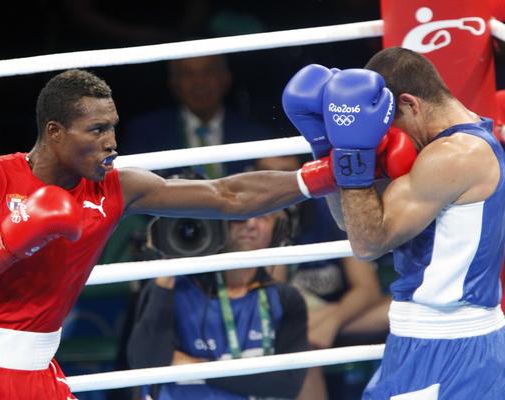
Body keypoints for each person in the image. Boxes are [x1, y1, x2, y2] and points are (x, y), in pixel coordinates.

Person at [0, 68, 318, 399]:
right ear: (54, 132)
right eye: (97, 130)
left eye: (113, 128)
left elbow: (227, 195)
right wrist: (5, 247)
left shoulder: (117, 188)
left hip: (35, 373)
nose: (112, 143)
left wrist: (319, 177)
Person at [285, 47, 505, 399]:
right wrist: (328, 149)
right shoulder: (437, 147)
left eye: (389, 124)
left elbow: (368, 243)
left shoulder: (455, 155)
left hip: (451, 347)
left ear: (409, 104)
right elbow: (353, 223)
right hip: (420, 339)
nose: (386, 138)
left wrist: (354, 156)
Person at [127, 210, 307, 399]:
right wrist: (166, 274)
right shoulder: (172, 286)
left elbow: (288, 383)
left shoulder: (285, 298)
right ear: (219, 224)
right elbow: (145, 364)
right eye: (241, 215)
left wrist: (197, 367)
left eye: (262, 216)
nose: (251, 223)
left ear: (276, 229)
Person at [256, 155, 385, 400]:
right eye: (267, 173)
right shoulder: (253, 221)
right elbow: (271, 304)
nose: (275, 182)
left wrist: (333, 319)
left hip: (340, 318)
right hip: (291, 329)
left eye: (284, 173)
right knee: (298, 342)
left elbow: (368, 290)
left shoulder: (327, 209)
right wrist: (276, 227)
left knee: (396, 309)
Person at [123, 54, 273, 177]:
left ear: (226, 78)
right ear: (173, 83)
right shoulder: (145, 132)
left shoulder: (256, 134)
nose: (199, 82)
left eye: (208, 72)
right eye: (188, 74)